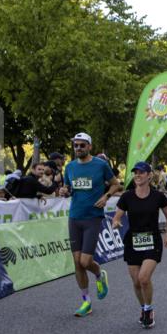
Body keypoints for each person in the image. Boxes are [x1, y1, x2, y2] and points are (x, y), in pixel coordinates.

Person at [61, 132, 119, 317]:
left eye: (82, 145)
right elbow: (69, 190)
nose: (78, 148)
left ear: (89, 147)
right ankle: (86, 301)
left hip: (93, 217)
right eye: (76, 145)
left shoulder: (100, 165)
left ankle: (99, 274)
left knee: (86, 261)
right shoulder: (69, 167)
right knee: (77, 264)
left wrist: (106, 196)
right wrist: (64, 191)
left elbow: (116, 184)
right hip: (74, 217)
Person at [112, 162, 167, 329]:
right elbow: (117, 216)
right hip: (133, 241)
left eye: (141, 172)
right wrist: (116, 222)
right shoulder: (127, 196)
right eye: (135, 173)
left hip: (152, 240)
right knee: (136, 282)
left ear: (149, 175)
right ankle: (143, 307)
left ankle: (148, 309)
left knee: (144, 278)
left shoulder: (158, 196)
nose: (137, 175)